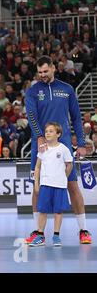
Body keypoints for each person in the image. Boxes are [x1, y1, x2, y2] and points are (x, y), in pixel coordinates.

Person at [25, 56, 92, 245]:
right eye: (40, 73)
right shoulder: (32, 91)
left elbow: (77, 118)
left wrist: (80, 142)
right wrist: (39, 136)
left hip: (63, 146)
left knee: (72, 186)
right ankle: (38, 231)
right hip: (40, 146)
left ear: (54, 68)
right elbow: (31, 116)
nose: (43, 75)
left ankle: (83, 230)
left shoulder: (67, 89)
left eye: (45, 71)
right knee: (37, 188)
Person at [29, 122, 73, 247]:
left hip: (59, 185)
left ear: (58, 134)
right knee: (42, 211)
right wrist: (37, 184)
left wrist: (63, 176)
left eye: (51, 131)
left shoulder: (63, 149)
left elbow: (69, 164)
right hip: (45, 184)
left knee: (58, 211)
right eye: (46, 131)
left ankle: (56, 236)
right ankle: (40, 236)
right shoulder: (43, 149)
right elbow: (37, 167)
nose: (47, 133)